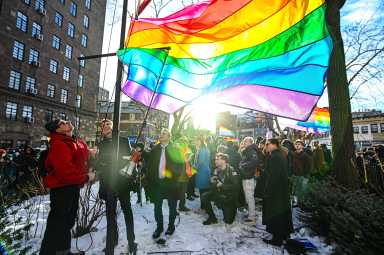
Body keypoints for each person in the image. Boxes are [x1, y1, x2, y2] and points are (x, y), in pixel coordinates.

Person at [40, 119, 96, 255]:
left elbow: (80, 151)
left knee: (66, 223)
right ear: (58, 130)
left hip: (71, 187)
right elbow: (66, 173)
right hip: (62, 189)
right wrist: (87, 177)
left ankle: (63, 251)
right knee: (59, 224)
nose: (68, 122)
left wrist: (90, 152)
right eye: (63, 122)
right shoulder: (59, 144)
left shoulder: (72, 141)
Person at [95, 119, 137, 254]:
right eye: (103, 125)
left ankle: (131, 241)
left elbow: (132, 161)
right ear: (101, 129)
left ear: (113, 128)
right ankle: (112, 240)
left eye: (108, 125)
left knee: (127, 211)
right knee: (110, 214)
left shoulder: (123, 141)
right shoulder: (100, 144)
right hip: (108, 183)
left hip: (122, 183)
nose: (106, 127)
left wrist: (126, 167)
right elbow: (99, 164)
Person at [146, 129, 183, 239]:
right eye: (161, 134)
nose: (161, 135)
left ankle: (171, 226)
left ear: (169, 137)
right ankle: (159, 227)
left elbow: (181, 165)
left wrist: (174, 176)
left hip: (171, 184)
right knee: (157, 207)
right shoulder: (155, 149)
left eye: (163, 134)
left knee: (172, 207)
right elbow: (150, 165)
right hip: (158, 184)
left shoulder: (175, 148)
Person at [262, 138, 293, 246]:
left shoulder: (275, 156)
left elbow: (273, 176)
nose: (266, 146)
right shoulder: (281, 155)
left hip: (276, 190)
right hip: (282, 189)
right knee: (282, 212)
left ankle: (277, 238)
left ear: (274, 145)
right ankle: (283, 234)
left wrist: (268, 190)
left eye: (268, 144)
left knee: (276, 213)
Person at [201, 153, 240, 225]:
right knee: (204, 196)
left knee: (228, 221)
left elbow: (236, 186)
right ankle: (212, 218)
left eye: (217, 159)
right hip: (219, 194)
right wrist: (212, 181)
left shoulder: (231, 170)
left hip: (229, 197)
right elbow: (214, 183)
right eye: (215, 159)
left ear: (224, 161)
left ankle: (232, 209)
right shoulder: (216, 170)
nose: (215, 161)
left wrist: (222, 185)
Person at [239, 137, 259, 224]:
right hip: (246, 176)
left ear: (251, 142)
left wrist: (243, 165)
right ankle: (251, 213)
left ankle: (252, 217)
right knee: (248, 197)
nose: (244, 143)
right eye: (244, 141)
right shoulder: (247, 150)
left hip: (249, 177)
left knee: (249, 197)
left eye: (246, 141)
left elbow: (254, 162)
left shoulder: (252, 151)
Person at [292, 139, 312, 204]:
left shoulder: (305, 156)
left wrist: (305, 175)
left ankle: (302, 204)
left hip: (303, 176)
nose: (297, 146)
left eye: (299, 144)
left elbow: (309, 167)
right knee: (295, 191)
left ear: (302, 146)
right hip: (295, 175)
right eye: (296, 144)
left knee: (302, 191)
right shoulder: (293, 154)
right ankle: (296, 204)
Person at [194, 136, 212, 209]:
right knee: (204, 189)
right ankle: (204, 205)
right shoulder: (205, 149)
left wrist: (195, 167)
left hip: (202, 171)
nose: (195, 142)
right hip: (205, 170)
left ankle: (204, 206)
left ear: (200, 141)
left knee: (203, 190)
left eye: (196, 141)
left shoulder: (202, 150)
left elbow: (201, 161)